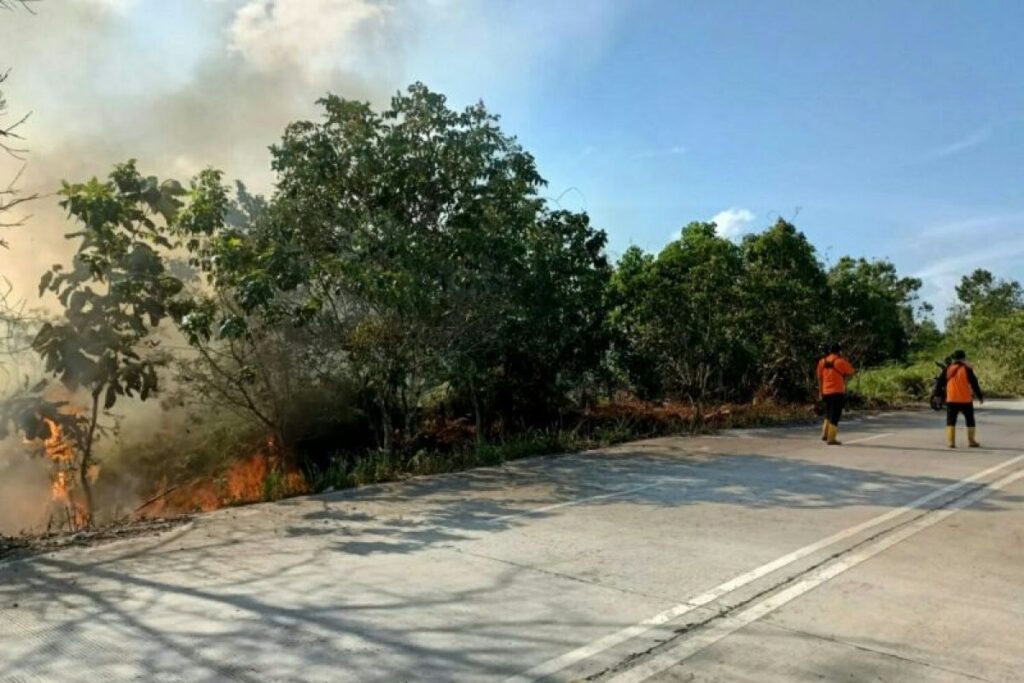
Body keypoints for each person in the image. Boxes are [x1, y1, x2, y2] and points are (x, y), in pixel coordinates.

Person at [817, 343, 856, 445]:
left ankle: (824, 433)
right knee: (835, 415)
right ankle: (831, 438)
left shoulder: (822, 362)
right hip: (837, 392)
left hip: (825, 392)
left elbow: (819, 378)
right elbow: (851, 371)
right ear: (839, 351)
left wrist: (820, 391)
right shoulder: (841, 362)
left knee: (827, 413)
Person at [944, 349, 984, 448]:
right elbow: (974, 383)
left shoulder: (948, 368)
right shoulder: (967, 369)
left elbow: (940, 382)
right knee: (970, 420)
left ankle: (951, 442)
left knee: (951, 421)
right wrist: (979, 396)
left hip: (951, 399)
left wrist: (937, 394)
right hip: (965, 399)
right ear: (963, 358)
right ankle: (971, 441)